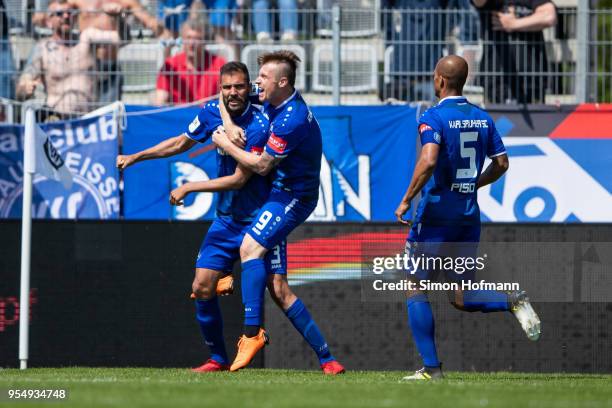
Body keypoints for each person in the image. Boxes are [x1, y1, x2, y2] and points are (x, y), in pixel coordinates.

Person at [117, 61, 344, 374]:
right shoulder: (213, 110)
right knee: (201, 286)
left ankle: (327, 358)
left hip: (260, 217)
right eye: (227, 88)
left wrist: (191, 185)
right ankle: (217, 359)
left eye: (240, 86)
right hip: (226, 220)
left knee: (278, 290)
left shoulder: (263, 119)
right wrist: (136, 156)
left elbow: (241, 178)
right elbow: (181, 142)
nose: (233, 92)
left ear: (250, 87)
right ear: (220, 89)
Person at [394, 55, 541, 380]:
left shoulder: (432, 117)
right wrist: (475, 183)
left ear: (440, 80)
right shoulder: (482, 118)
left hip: (436, 215)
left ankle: (431, 369)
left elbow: (429, 159)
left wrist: (406, 200)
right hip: (468, 215)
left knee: (413, 283)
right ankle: (512, 300)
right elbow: (502, 163)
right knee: (460, 295)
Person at [212, 51, 345, 375]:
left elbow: (261, 165)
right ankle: (328, 360)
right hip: (278, 194)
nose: (257, 81)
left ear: (282, 82)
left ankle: (251, 333)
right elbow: (222, 95)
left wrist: (224, 142)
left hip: (292, 197)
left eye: (263, 77)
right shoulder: (276, 104)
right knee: (279, 287)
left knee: (249, 247)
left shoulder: (291, 118)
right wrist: (229, 124)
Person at [16, 0, 121, 117]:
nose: (66, 16)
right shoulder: (43, 48)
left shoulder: (87, 38)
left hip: (89, 120)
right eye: (60, 14)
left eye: (70, 13)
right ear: (49, 21)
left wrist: (118, 19)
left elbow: (120, 38)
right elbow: (23, 83)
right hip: (58, 121)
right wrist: (25, 88)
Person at [472, 0, 557, 104]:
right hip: (496, 79)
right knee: (495, 119)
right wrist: (531, 21)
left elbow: (549, 16)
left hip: (531, 79)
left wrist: (513, 24)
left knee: (537, 118)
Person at [155, 18, 226, 105]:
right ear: (182, 40)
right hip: (179, 115)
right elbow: (159, 101)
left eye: (197, 39)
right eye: (188, 38)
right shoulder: (170, 65)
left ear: (205, 41)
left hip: (208, 116)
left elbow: (227, 98)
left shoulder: (219, 64)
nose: (192, 43)